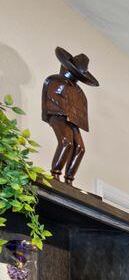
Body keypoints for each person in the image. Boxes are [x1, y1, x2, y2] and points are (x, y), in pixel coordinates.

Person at [41, 47, 99, 184]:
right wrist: (68, 108)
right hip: (58, 116)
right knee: (66, 142)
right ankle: (55, 174)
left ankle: (69, 180)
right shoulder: (55, 80)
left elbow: (82, 111)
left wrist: (76, 115)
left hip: (72, 121)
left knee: (80, 148)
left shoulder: (79, 92)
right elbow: (53, 98)